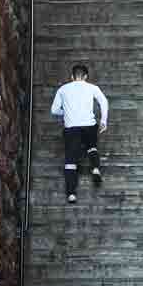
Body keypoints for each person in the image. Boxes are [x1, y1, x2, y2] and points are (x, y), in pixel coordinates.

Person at [50, 63, 109, 204]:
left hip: (72, 127)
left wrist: (66, 113)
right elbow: (103, 101)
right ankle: (95, 167)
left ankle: (71, 193)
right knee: (91, 146)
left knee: (70, 160)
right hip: (89, 125)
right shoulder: (92, 87)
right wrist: (104, 120)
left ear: (72, 77)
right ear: (86, 77)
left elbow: (54, 110)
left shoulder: (63, 89)